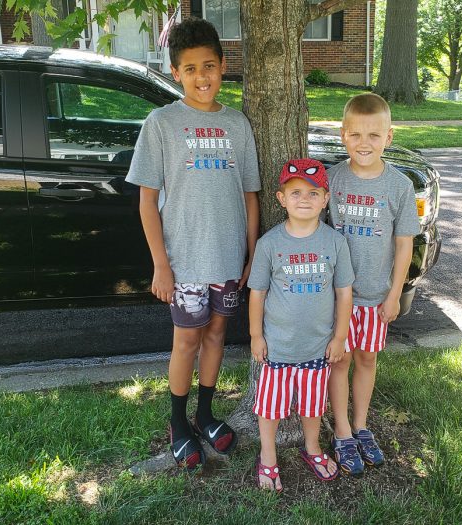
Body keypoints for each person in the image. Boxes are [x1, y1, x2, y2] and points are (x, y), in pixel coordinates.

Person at [125, 17, 260, 470]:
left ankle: (205, 413)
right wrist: (160, 265)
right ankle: (178, 421)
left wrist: (251, 251)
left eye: (209, 66)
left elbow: (249, 194)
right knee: (186, 340)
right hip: (183, 261)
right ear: (176, 73)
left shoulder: (237, 124)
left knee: (218, 334)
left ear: (223, 65)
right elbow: (147, 202)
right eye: (190, 69)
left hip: (226, 258)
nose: (202, 77)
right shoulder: (161, 123)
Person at [327, 93, 419, 476]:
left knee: (366, 359)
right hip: (336, 298)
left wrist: (395, 293)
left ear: (389, 137)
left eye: (374, 135)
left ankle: (362, 425)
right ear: (344, 135)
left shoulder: (399, 186)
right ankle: (343, 431)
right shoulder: (331, 179)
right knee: (341, 360)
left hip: (377, 296)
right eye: (356, 135)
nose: (364, 143)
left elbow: (404, 244)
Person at [248, 159, 354, 492]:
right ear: (281, 198)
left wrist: (340, 337)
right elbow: (257, 294)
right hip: (277, 346)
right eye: (295, 192)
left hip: (317, 346)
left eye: (313, 192)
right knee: (271, 407)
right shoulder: (269, 244)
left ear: (325, 199)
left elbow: (344, 292)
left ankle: (312, 448)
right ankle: (268, 455)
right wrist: (255, 335)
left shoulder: (335, 243)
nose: (304, 199)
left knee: (312, 405)